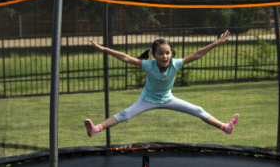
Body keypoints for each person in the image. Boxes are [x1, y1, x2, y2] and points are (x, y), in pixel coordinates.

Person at [84, 31, 238, 136]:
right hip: (148, 100)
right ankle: (95, 129)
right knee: (125, 114)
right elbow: (125, 58)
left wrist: (216, 43)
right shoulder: (148, 65)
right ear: (153, 54)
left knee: (198, 110)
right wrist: (103, 48)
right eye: (160, 53)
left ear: (171, 53)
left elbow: (197, 54)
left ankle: (226, 127)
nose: (164, 56)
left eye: (167, 53)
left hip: (168, 99)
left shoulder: (176, 64)